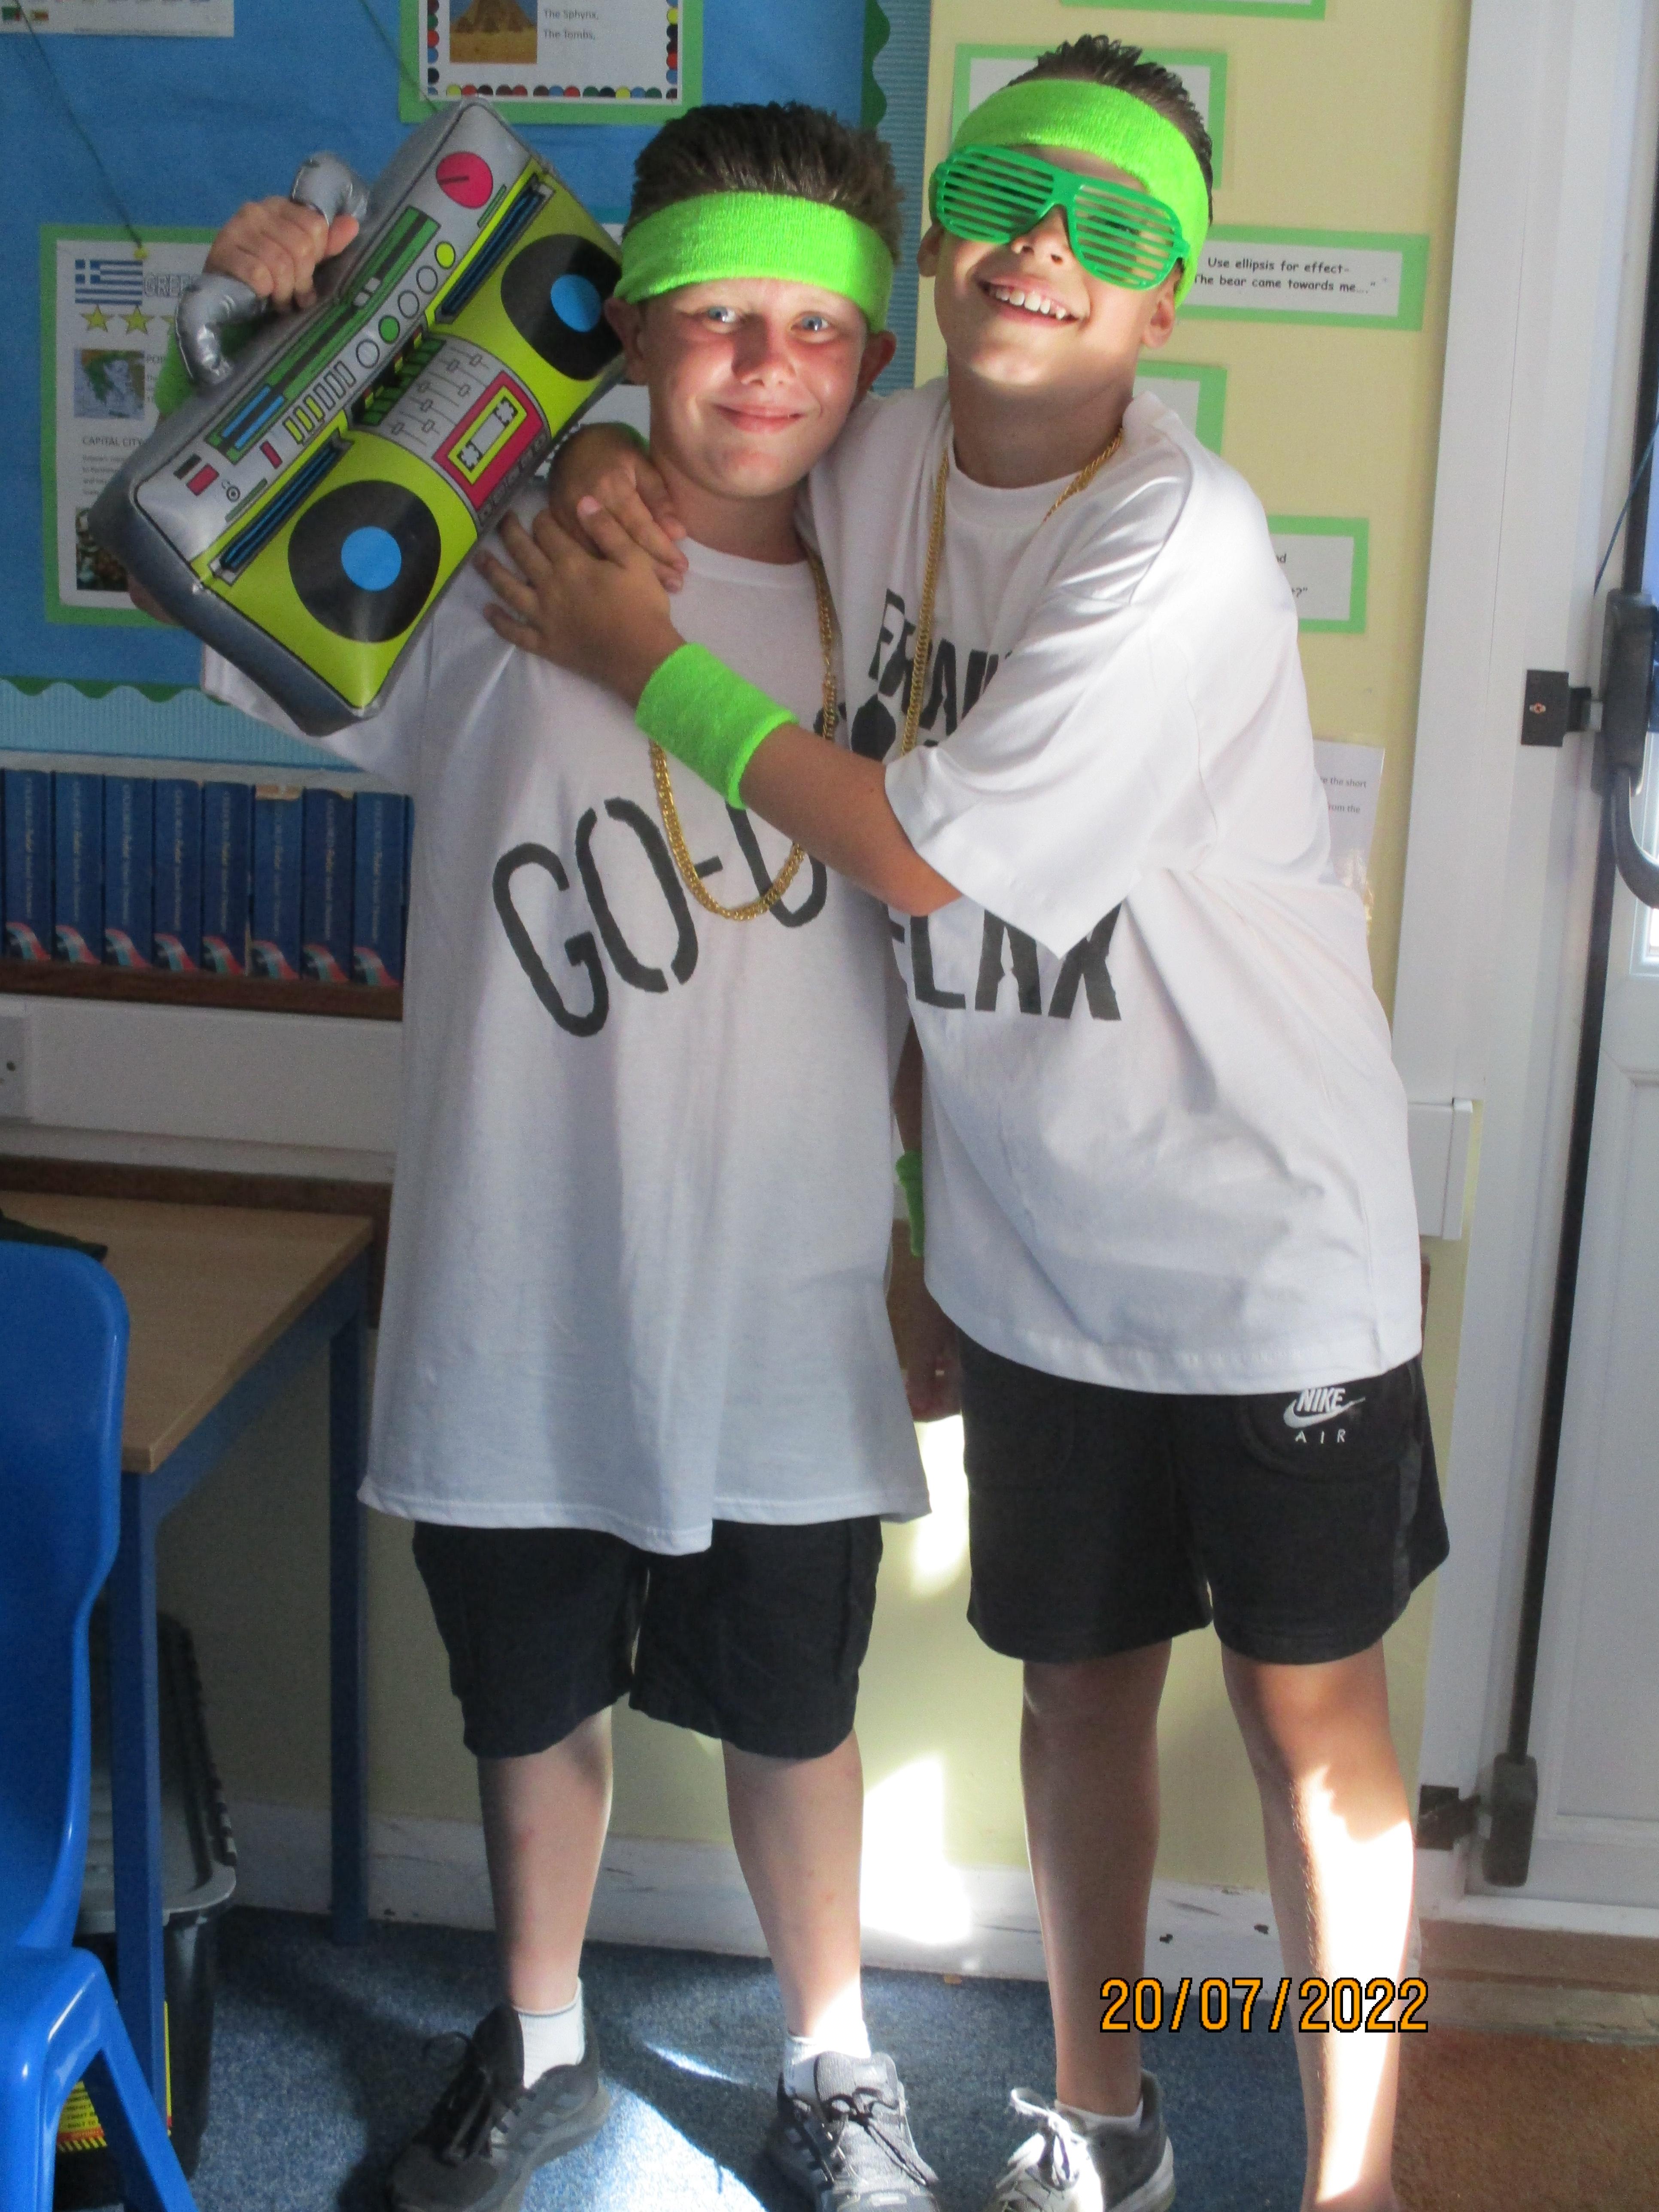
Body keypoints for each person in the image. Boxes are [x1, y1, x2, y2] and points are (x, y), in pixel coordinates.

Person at [485, 36, 1447, 2212]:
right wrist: (596, 456)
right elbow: (700, 417)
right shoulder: (884, 453)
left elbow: (914, 857)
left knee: (1313, 1745)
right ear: (936, 236)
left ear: (1169, 295)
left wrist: (643, 661)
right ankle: (1105, 2122)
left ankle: (1355, 2177)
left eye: (1116, 227)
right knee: (1075, 1699)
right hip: (1029, 1245)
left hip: (1262, 1239)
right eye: (1013, 197)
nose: (1048, 251)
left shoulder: (1179, 536)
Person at [176, 100, 950, 2212]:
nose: (765, 364)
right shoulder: (491, 555)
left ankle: (835, 2061)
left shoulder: (901, 610)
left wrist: (933, 1251)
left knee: (794, 1707)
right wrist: (240, 336)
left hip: (789, 1293)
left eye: (815, 324)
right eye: (715, 317)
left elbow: (945, 961)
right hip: (521, 1275)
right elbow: (230, 589)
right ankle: (533, 2038)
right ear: (633, 324)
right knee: (525, 1702)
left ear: (874, 357)